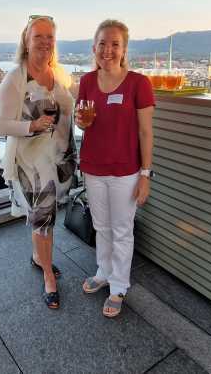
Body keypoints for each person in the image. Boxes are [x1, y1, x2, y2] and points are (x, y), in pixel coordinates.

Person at [0, 15, 76, 309]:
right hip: (32, 163)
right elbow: (1, 125)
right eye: (38, 36)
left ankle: (36, 256)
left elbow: (74, 104)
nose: (44, 42)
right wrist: (31, 126)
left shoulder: (60, 74)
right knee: (45, 220)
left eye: (49, 37)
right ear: (26, 42)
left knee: (46, 215)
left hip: (59, 156)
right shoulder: (15, 78)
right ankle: (48, 277)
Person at [76, 19, 154, 318]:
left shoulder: (138, 83)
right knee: (102, 226)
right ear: (94, 48)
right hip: (93, 167)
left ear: (123, 49)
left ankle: (119, 285)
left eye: (115, 44)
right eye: (102, 44)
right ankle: (104, 271)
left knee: (122, 230)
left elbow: (146, 133)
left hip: (125, 171)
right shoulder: (86, 81)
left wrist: (145, 175)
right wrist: (81, 123)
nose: (108, 50)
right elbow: (83, 120)